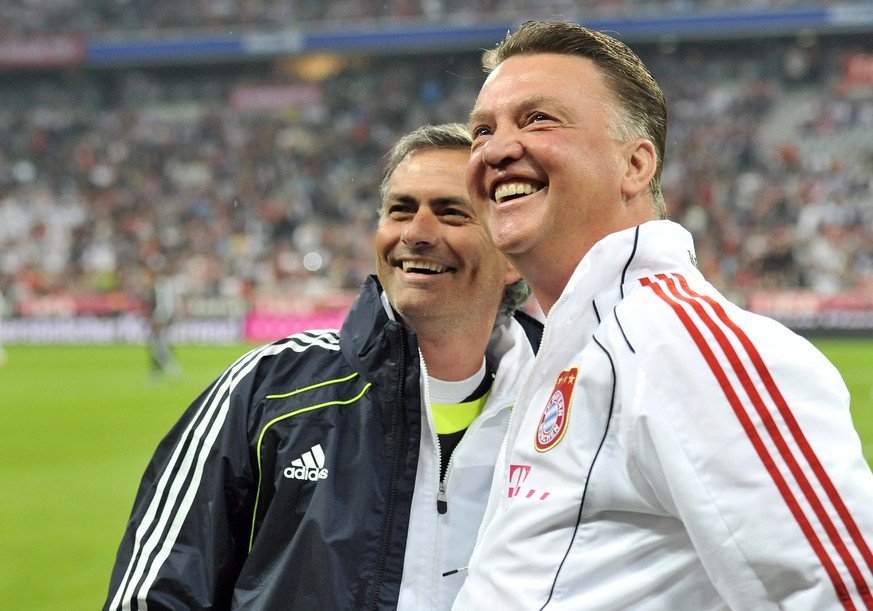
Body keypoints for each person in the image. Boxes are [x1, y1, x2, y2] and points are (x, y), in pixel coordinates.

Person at [454, 20, 873, 610]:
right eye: (482, 130)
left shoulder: (674, 342)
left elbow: (848, 590)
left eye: (538, 119)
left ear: (636, 166)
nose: (494, 149)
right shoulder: (571, 347)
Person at [104, 123, 541, 610]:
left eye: (452, 213)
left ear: (510, 257)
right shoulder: (268, 391)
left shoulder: (560, 408)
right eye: (400, 210)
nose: (416, 233)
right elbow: (156, 596)